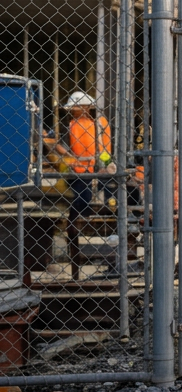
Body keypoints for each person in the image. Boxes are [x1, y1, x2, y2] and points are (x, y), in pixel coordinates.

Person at [61, 92, 115, 277]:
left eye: (75, 108)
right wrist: (70, 158)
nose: (72, 111)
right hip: (79, 175)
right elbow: (59, 144)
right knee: (80, 211)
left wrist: (106, 166)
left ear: (85, 107)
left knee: (108, 212)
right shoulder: (70, 125)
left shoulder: (100, 124)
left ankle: (109, 258)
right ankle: (77, 255)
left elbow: (106, 148)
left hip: (96, 173)